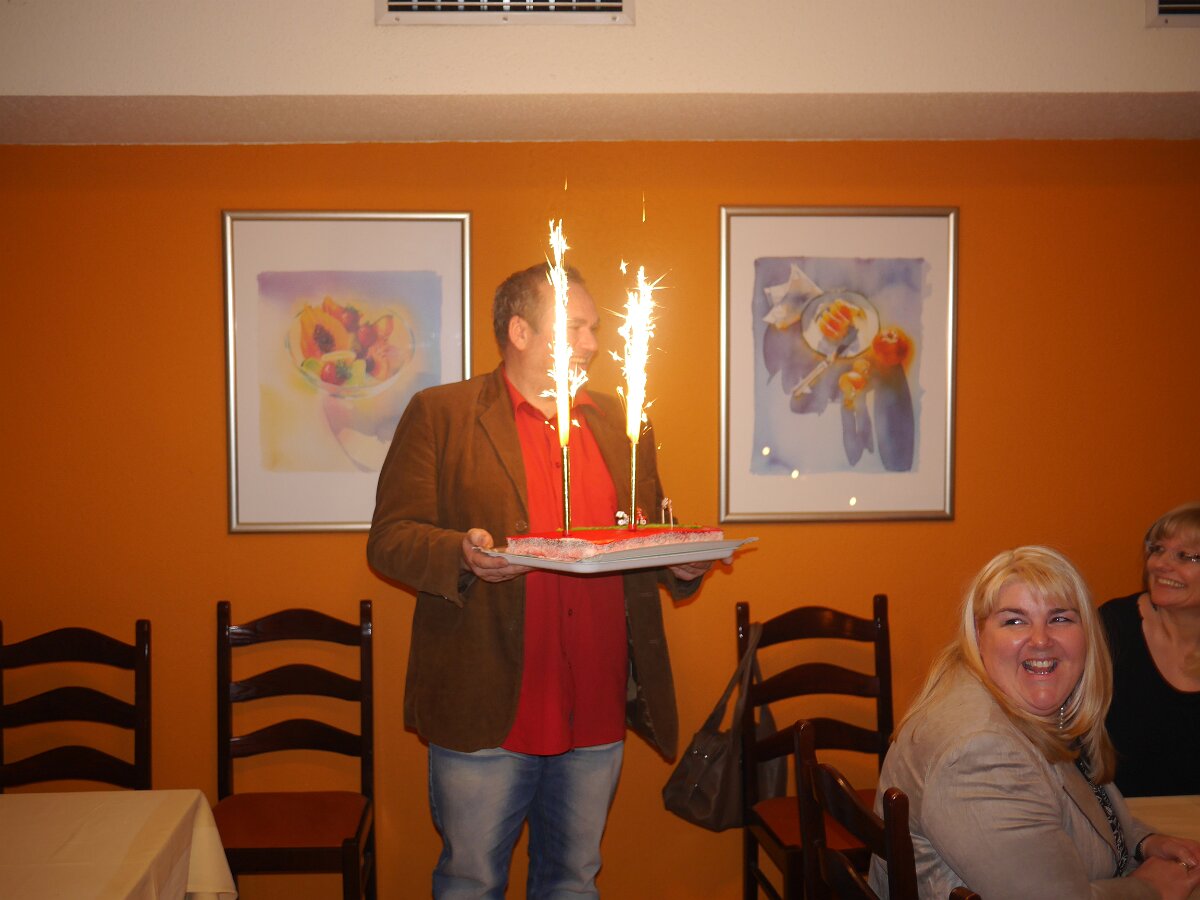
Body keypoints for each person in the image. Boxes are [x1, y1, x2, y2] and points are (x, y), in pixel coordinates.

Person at [367, 263, 716, 899]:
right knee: (471, 885)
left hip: (596, 704)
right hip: (487, 706)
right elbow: (390, 538)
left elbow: (642, 533)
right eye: (575, 327)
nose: (592, 343)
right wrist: (460, 554)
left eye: (594, 328)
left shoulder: (620, 421)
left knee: (573, 883)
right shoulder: (443, 414)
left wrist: (678, 562)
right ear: (520, 331)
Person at [868, 546, 1200, 900]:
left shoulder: (1026, 703)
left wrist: (1142, 841)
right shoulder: (981, 752)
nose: (1041, 640)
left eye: (1060, 619)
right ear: (978, 635)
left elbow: (1081, 807)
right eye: (1014, 621)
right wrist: (1150, 888)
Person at [1101, 502, 1200, 798]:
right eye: (1157, 550)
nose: (1159, 564)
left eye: (1185, 556)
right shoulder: (1112, 627)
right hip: (1124, 818)